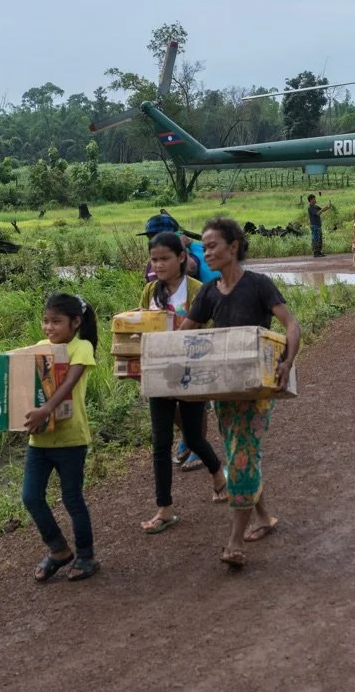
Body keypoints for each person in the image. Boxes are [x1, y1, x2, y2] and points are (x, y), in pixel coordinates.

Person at [181, 217, 300, 569]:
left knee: (242, 455)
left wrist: (287, 362)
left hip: (257, 389)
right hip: (223, 389)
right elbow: (186, 334)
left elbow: (291, 325)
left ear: (234, 248)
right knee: (237, 449)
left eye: (213, 245)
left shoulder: (260, 285)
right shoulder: (208, 292)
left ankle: (234, 541)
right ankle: (264, 518)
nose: (207, 252)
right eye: (204, 246)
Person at [0, 292, 101, 582]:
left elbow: (69, 384)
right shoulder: (39, 348)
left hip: (71, 439)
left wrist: (47, 408)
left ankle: (86, 556)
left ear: (75, 322)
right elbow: (19, 383)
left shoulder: (81, 348)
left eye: (56, 322)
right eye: (45, 321)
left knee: (72, 499)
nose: (49, 327)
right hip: (40, 439)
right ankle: (59, 550)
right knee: (31, 497)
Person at [138, 232, 228, 535]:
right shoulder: (150, 290)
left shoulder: (200, 290)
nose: (159, 265)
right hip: (160, 373)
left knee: (193, 436)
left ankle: (218, 474)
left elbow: (211, 332)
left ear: (182, 258)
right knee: (160, 443)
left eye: (165, 258)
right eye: (154, 259)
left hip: (192, 373)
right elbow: (140, 327)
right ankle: (164, 508)